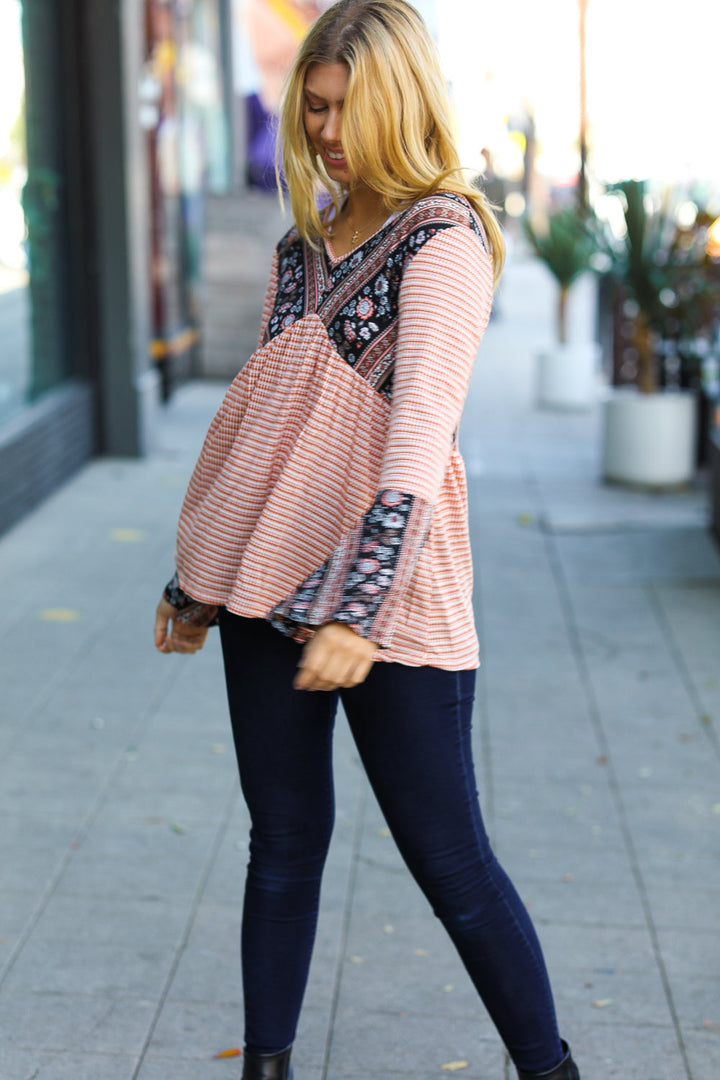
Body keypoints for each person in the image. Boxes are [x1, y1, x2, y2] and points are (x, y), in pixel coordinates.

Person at [153, 3, 581, 1079]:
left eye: (344, 107)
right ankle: (267, 1066)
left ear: (398, 101)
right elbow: (264, 421)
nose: (326, 129)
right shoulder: (306, 242)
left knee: (450, 861)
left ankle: (552, 1071)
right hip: (267, 587)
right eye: (314, 107)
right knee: (283, 844)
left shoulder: (445, 242)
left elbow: (417, 439)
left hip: (385, 607)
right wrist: (198, 581)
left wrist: (359, 608)